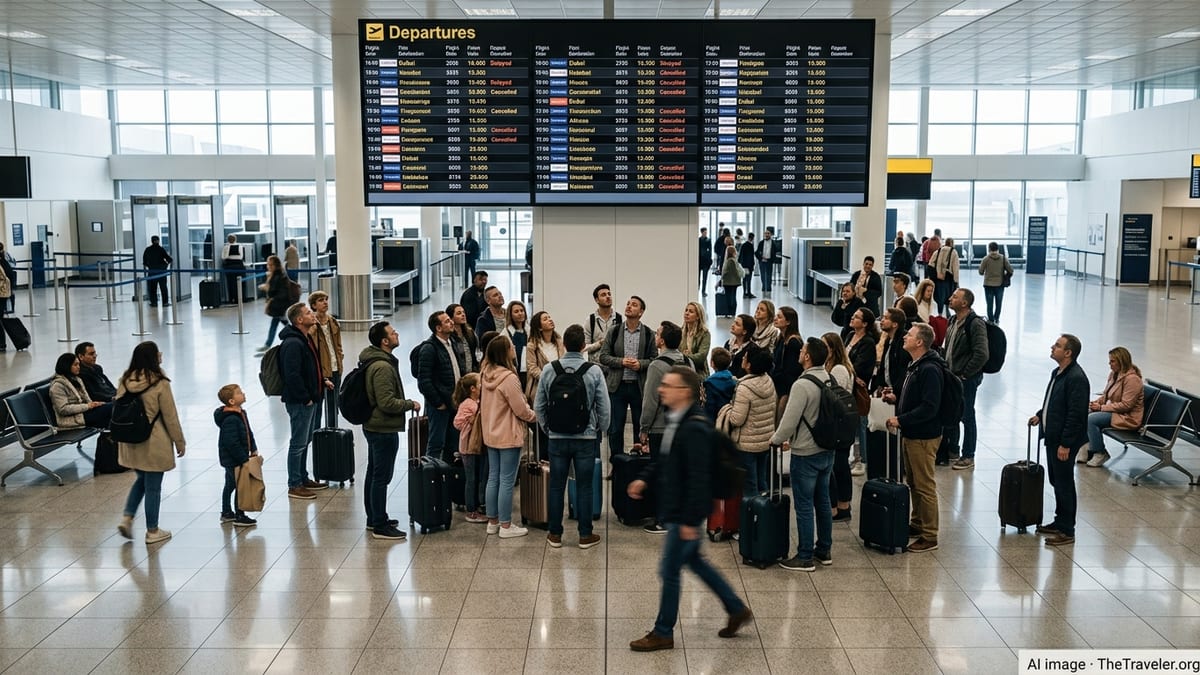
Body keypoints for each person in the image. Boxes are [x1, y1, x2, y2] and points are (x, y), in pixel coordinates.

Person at [627, 366, 752, 652]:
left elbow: (699, 479)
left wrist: (689, 520)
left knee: (669, 570)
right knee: (695, 562)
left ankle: (663, 632)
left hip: (685, 513)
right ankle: (735, 608)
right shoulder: (676, 419)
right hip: (677, 509)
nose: (661, 389)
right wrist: (643, 479)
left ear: (684, 391)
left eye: (668, 385)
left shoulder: (694, 427)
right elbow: (666, 460)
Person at [771, 337, 846, 571]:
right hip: (827, 449)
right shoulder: (829, 378)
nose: (800, 352)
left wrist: (775, 439)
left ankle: (804, 556)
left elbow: (789, 420)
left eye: (803, 350)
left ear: (807, 356)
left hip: (805, 452)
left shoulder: (802, 385)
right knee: (822, 501)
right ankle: (824, 550)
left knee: (803, 504)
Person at [535, 324, 610, 549]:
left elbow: (539, 405)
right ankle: (585, 535)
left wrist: (548, 428)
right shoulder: (593, 371)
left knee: (557, 486)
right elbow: (603, 407)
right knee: (584, 486)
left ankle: (555, 534)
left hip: (557, 437)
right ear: (583, 346)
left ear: (564, 344)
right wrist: (600, 430)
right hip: (585, 438)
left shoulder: (550, 369)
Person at [115, 341, 186, 545]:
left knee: (141, 480)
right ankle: (153, 531)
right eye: (158, 352)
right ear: (153, 357)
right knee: (153, 487)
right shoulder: (160, 383)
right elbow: (170, 416)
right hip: (153, 441)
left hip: (131, 440)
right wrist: (179, 441)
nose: (161, 354)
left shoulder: (125, 379)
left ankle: (127, 517)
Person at [883, 323, 944, 553]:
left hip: (923, 436)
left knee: (924, 484)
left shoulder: (929, 369)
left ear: (920, 342)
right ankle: (917, 523)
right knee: (914, 482)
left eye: (909, 335)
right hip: (912, 434)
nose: (905, 336)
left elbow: (930, 407)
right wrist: (895, 398)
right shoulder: (915, 364)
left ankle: (930, 535)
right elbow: (914, 397)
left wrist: (902, 419)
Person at [359, 321, 420, 540]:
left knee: (374, 473)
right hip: (382, 427)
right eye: (393, 333)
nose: (397, 334)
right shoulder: (382, 367)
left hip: (375, 425)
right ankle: (379, 524)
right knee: (381, 477)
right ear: (385, 341)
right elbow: (386, 402)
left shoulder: (377, 360)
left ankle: (373, 517)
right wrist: (409, 404)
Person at [1029, 334, 1090, 547]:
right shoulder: (1059, 372)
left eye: (1058, 346)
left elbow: (1076, 414)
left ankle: (1067, 529)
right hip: (1053, 436)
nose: (1052, 347)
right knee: (1056, 480)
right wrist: (1041, 414)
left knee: (1064, 483)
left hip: (1063, 441)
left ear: (1068, 353)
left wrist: (1066, 443)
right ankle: (1059, 520)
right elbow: (1054, 401)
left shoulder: (1076, 378)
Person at [481, 334, 538, 538]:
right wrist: (535, 416)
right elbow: (520, 409)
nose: (514, 348)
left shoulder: (485, 373)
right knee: (507, 480)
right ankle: (506, 526)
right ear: (505, 352)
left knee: (493, 477)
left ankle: (492, 521)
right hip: (507, 434)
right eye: (511, 346)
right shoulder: (509, 378)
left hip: (490, 433)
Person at [639, 321, 694, 534]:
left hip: (661, 428)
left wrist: (644, 427)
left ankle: (662, 519)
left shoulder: (657, 365)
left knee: (663, 474)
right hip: (684, 425)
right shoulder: (687, 361)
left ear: (661, 340)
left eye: (658, 333)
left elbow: (651, 400)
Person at [279, 302, 330, 499]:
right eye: (308, 313)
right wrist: (305, 397)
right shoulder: (293, 343)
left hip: (311, 397)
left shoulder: (305, 338)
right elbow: (292, 375)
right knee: (298, 443)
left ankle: (302, 477)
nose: (313, 314)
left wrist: (322, 381)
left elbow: (309, 368)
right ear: (299, 320)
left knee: (305, 440)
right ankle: (294, 484)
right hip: (301, 401)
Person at [599, 296, 656, 463]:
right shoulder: (614, 331)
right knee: (615, 428)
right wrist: (621, 362)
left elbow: (654, 359)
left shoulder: (648, 333)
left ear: (641, 312)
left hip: (639, 388)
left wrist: (640, 364)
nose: (629, 307)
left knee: (640, 426)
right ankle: (617, 464)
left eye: (634, 305)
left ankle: (638, 462)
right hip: (617, 387)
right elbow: (603, 356)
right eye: (628, 304)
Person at [943, 288, 989, 470]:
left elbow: (982, 354)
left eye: (955, 296)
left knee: (967, 415)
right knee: (953, 413)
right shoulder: (953, 320)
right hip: (952, 376)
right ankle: (953, 450)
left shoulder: (975, 324)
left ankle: (968, 455)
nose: (950, 298)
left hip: (966, 378)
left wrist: (965, 374)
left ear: (965, 303)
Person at [723, 347, 776, 497]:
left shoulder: (744, 388)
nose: (743, 359)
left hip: (747, 444)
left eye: (745, 357)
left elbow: (737, 419)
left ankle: (752, 516)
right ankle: (765, 514)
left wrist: (728, 410)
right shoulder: (768, 381)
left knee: (749, 485)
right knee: (762, 482)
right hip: (765, 440)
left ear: (750, 364)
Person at [1083, 346, 1145, 467]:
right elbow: (1106, 396)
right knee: (1083, 412)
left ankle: (1100, 452)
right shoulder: (1114, 374)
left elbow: (1126, 405)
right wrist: (1095, 403)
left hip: (1127, 417)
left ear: (1121, 361)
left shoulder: (1133, 380)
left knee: (1091, 420)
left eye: (1112, 361)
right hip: (1116, 412)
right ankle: (1086, 448)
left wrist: (1101, 408)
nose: (1109, 364)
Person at [416, 310, 462, 461]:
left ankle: (448, 479)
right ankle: (431, 477)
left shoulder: (452, 342)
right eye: (447, 321)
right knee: (436, 443)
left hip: (454, 403)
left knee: (452, 443)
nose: (452, 323)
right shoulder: (429, 348)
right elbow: (424, 381)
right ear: (438, 328)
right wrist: (438, 403)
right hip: (439, 406)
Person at [821, 333, 857, 521]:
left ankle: (842, 505)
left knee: (839, 465)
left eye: (824, 345)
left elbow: (837, 397)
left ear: (832, 349)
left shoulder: (840, 370)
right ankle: (838, 504)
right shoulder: (829, 367)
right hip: (837, 423)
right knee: (837, 465)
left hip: (841, 423)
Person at [214, 383, 258, 528]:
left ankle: (226, 512)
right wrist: (243, 459)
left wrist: (253, 448)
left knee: (230, 484)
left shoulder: (241, 413)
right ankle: (240, 514)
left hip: (237, 457)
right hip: (233, 460)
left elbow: (248, 431)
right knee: (240, 485)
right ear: (232, 401)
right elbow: (231, 443)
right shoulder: (230, 419)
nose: (243, 393)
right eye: (239, 392)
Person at [453, 373, 488, 524]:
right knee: (471, 479)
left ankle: (477, 505)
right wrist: (470, 421)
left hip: (476, 447)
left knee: (477, 477)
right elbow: (457, 423)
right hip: (468, 447)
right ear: (473, 388)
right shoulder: (467, 404)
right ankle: (471, 510)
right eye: (480, 384)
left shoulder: (478, 401)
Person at [49, 353, 113, 429]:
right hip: (72, 419)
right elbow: (63, 409)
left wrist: (95, 404)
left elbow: (87, 400)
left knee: (110, 416)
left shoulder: (77, 380)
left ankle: (110, 438)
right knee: (113, 408)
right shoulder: (57, 386)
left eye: (78, 364)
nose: (79, 367)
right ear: (67, 366)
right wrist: (87, 406)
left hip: (84, 413)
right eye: (75, 365)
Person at [309, 290, 343, 429]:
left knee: (333, 404)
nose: (325, 302)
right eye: (321, 300)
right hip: (321, 371)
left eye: (326, 299)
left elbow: (338, 345)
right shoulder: (312, 324)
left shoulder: (332, 321)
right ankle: (316, 435)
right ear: (313, 305)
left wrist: (340, 359)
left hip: (335, 368)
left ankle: (333, 433)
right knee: (318, 407)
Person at [770, 306, 803, 420]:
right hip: (778, 385)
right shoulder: (780, 338)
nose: (775, 319)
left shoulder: (793, 342)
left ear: (788, 322)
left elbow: (792, 370)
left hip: (786, 389)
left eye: (779, 317)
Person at [525, 310, 564, 403]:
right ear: (539, 328)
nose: (550, 320)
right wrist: (548, 379)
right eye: (545, 319)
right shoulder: (532, 345)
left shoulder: (559, 342)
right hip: (540, 386)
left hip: (559, 385)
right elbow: (532, 368)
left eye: (549, 317)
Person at [257, 255, 291, 352]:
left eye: (271, 265)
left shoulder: (276, 276)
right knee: (281, 323)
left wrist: (266, 288)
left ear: (276, 265)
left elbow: (273, 291)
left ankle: (268, 344)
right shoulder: (279, 275)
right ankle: (268, 344)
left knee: (279, 324)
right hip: (280, 304)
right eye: (268, 264)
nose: (269, 266)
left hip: (279, 305)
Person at [978, 242, 1015, 322]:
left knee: (989, 304)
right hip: (1000, 284)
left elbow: (981, 272)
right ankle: (996, 318)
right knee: (999, 303)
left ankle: (991, 320)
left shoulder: (986, 259)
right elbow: (1011, 270)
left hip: (988, 285)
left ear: (989, 249)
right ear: (998, 249)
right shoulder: (1003, 258)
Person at [584, 283, 616, 369]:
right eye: (603, 295)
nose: (608, 297)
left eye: (609, 294)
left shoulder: (620, 319)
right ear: (597, 300)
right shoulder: (590, 320)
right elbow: (585, 348)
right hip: (594, 368)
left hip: (614, 368)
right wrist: (599, 343)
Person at [702, 348, 737, 422]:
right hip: (727, 419)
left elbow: (709, 408)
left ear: (712, 363)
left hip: (715, 421)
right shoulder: (733, 380)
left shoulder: (709, 383)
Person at [446, 303, 479, 373]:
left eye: (463, 312)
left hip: (472, 372)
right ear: (451, 318)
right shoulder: (449, 337)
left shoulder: (470, 333)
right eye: (459, 313)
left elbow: (476, 351)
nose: (463, 315)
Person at [932, 237, 961, 316]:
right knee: (948, 294)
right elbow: (956, 268)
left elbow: (931, 264)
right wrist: (956, 281)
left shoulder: (938, 251)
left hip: (938, 278)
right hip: (949, 278)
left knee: (940, 296)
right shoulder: (954, 252)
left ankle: (940, 313)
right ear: (952, 243)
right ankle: (947, 310)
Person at [505, 300, 530, 389]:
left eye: (521, 311)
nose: (520, 313)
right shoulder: (506, 333)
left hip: (528, 371)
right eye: (516, 311)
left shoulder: (529, 331)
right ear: (510, 315)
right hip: (513, 371)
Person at [142, 235, 173, 307]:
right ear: (158, 241)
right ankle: (165, 302)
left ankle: (154, 302)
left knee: (152, 288)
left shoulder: (147, 250)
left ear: (151, 241)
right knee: (163, 288)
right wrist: (165, 266)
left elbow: (144, 262)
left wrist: (150, 266)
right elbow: (169, 259)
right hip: (161, 272)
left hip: (152, 272)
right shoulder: (160, 249)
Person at [680, 302, 711, 375]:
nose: (687, 313)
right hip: (682, 370)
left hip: (699, 372)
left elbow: (701, 357)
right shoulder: (680, 331)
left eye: (691, 311)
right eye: (686, 310)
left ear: (698, 316)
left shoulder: (705, 334)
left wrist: (685, 356)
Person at [724, 314, 755, 379]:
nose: (733, 325)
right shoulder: (728, 343)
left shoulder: (752, 349)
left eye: (737, 324)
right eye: (734, 322)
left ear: (744, 331)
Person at [221, 234, 246, 305]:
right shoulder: (240, 246)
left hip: (229, 265)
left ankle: (231, 298)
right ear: (235, 239)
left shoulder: (226, 247)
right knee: (240, 283)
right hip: (239, 266)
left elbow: (223, 257)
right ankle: (241, 298)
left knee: (230, 283)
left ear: (228, 239)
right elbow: (241, 257)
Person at [718, 245, 743, 316]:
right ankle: (732, 312)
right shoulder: (735, 260)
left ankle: (729, 311)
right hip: (735, 282)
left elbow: (725, 272)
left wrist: (721, 280)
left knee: (728, 297)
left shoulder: (729, 261)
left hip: (728, 282)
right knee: (733, 296)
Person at [0, 240, 17, 316]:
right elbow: (13, 263)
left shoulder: (4, 256)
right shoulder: (5, 255)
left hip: (4, 278)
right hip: (10, 274)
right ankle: (12, 308)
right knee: (11, 292)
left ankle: (8, 309)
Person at [738, 232, 756, 298]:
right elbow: (751, 257)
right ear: (752, 238)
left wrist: (741, 264)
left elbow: (740, 256)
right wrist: (752, 265)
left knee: (744, 279)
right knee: (748, 280)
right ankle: (748, 293)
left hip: (744, 265)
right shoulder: (750, 246)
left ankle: (744, 293)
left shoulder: (743, 245)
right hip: (749, 266)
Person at [756, 229, 774, 294]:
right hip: (762, 261)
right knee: (763, 274)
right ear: (764, 235)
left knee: (769, 275)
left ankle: (769, 287)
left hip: (769, 261)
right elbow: (757, 252)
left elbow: (775, 252)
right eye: (765, 233)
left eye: (768, 233)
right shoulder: (761, 243)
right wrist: (761, 258)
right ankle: (764, 286)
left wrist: (772, 260)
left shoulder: (773, 243)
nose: (767, 235)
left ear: (770, 234)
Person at [698, 227, 712, 296]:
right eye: (704, 232)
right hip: (699, 261)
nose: (706, 233)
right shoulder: (698, 240)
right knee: (698, 277)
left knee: (705, 278)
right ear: (702, 232)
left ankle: (703, 291)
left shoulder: (708, 240)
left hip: (706, 261)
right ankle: (697, 289)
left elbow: (710, 251)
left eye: (706, 232)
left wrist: (709, 260)